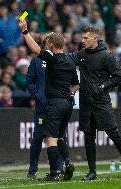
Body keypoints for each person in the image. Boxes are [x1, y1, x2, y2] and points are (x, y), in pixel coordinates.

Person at [69, 27, 121, 181]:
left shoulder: (106, 56)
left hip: (101, 102)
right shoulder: (81, 55)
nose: (82, 40)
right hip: (86, 103)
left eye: (85, 38)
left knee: (113, 133)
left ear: (94, 38)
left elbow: (119, 75)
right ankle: (92, 172)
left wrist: (103, 86)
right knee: (88, 136)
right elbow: (66, 60)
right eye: (82, 38)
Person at [19, 20, 79, 181]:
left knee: (50, 139)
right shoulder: (70, 61)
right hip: (67, 104)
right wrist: (70, 94)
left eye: (48, 43)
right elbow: (76, 84)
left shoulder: (53, 59)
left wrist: (25, 32)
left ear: (52, 45)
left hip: (54, 104)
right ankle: (67, 162)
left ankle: (54, 173)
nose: (46, 46)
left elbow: (36, 49)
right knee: (60, 137)